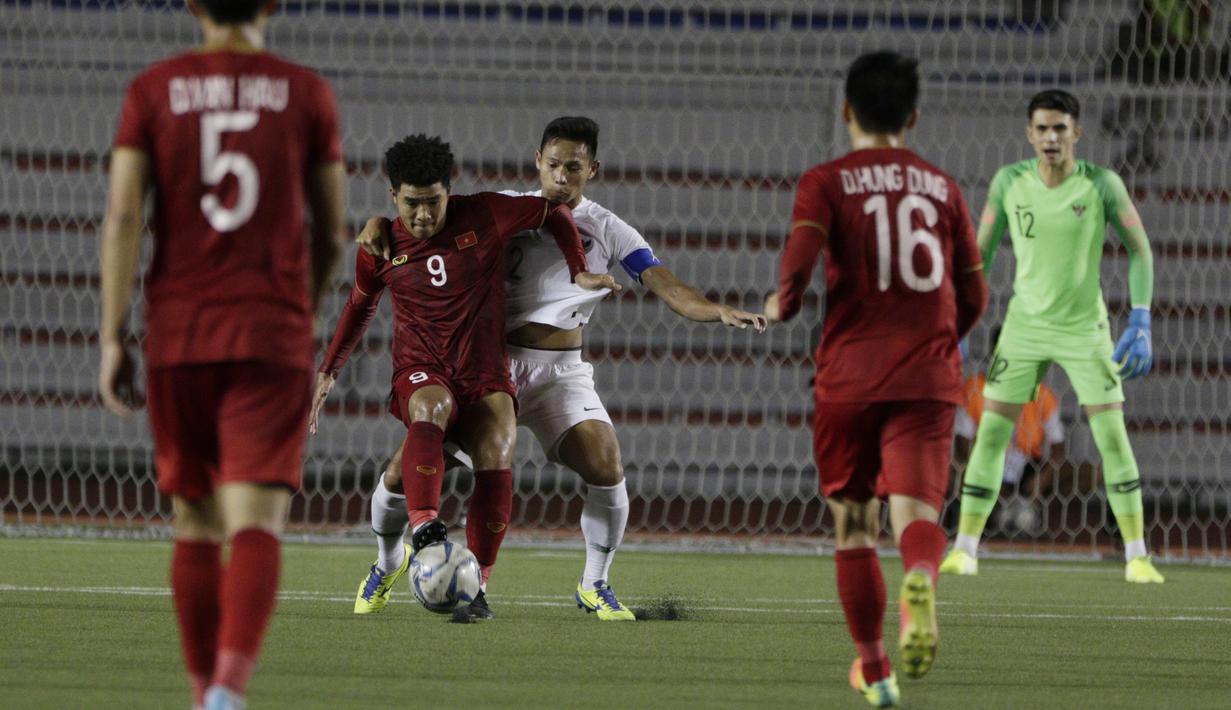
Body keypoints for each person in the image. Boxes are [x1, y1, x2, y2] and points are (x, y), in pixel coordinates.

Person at [335, 116, 767, 621]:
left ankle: (592, 583)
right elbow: (420, 223)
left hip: (560, 373)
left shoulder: (608, 229)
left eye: (575, 167)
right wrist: (375, 227)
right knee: (397, 478)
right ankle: (388, 562)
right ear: (538, 160)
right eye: (555, 164)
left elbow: (663, 282)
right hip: (488, 366)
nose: (563, 176)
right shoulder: (506, 210)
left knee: (606, 466)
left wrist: (714, 309)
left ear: (593, 169)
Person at [98, 1, 348, 708]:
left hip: (179, 335)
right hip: (269, 335)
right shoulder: (306, 93)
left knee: (196, 523)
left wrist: (114, 334)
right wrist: (295, 306)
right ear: (272, 4)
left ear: (190, 4)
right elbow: (332, 230)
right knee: (256, 523)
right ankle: (228, 691)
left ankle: (200, 688)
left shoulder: (153, 89)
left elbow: (122, 216)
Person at [311, 133, 615, 620]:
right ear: (394, 197)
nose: (424, 216)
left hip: (484, 371)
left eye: (433, 202)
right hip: (421, 370)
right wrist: (327, 371)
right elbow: (358, 307)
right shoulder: (380, 244)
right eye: (412, 204)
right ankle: (421, 536)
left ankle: (475, 587)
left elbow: (553, 210)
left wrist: (579, 269)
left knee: (496, 449)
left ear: (449, 191)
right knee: (431, 408)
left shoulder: (486, 214)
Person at [764, 51, 987, 708]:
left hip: (850, 375)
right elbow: (972, 293)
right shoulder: (943, 188)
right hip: (926, 373)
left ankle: (875, 668)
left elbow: (799, 260)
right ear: (912, 116)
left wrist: (785, 301)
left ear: (845, 112)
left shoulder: (826, 181)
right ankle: (919, 574)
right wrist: (941, 343)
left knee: (854, 526)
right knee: (916, 513)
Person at [939, 90, 1165, 584]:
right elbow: (977, 259)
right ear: (1029, 133)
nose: (1050, 137)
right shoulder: (1009, 184)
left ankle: (1137, 554)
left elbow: (1140, 249)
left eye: (1060, 128)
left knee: (1111, 434)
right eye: (1041, 128)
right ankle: (966, 548)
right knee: (992, 433)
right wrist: (957, 322)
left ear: (1076, 133)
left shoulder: (1102, 185)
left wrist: (1141, 318)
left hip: (1085, 329)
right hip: (1023, 328)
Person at [954, 327, 1066, 536]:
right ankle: (977, 512)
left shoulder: (1042, 395)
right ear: (992, 353)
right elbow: (962, 446)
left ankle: (1030, 511)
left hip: (1028, 467)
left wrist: (1040, 481)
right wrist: (985, 477)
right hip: (987, 463)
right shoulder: (975, 389)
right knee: (953, 468)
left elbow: (1059, 450)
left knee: (1090, 473)